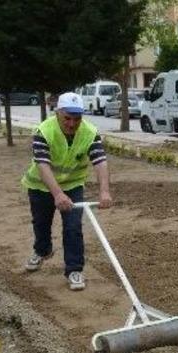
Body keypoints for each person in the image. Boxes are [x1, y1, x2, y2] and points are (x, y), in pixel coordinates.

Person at [20, 91, 112, 291]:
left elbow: (100, 161)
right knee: (41, 223)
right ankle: (42, 250)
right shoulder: (43, 131)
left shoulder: (89, 132)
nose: (72, 124)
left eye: (77, 119)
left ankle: (74, 269)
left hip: (73, 186)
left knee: (73, 227)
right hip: (40, 186)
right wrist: (57, 194)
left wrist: (104, 191)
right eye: (67, 118)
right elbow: (42, 164)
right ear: (57, 113)